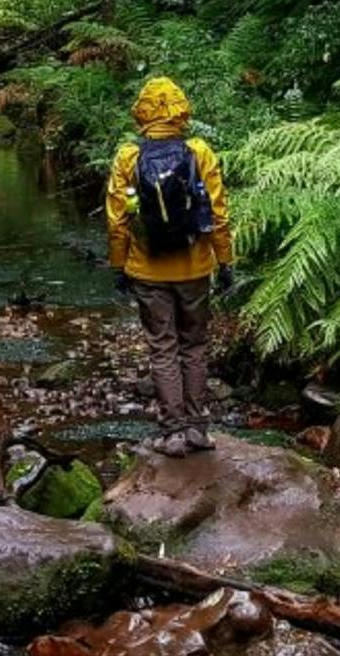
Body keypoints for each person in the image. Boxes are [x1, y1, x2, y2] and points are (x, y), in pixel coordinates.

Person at [105, 76, 233, 457]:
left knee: (163, 348)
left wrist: (119, 266)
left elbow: (117, 221)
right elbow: (218, 214)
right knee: (194, 345)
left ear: (142, 111)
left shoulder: (129, 156)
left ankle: (172, 432)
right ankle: (198, 429)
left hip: (147, 268)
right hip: (195, 268)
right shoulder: (200, 151)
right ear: (181, 109)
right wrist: (225, 262)